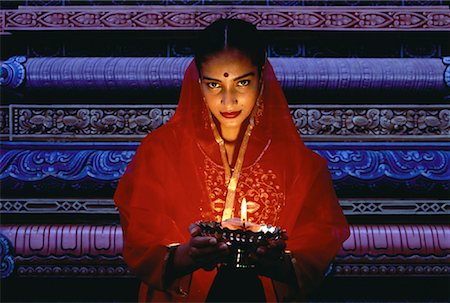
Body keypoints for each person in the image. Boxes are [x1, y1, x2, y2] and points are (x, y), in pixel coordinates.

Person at [114, 19, 349, 302]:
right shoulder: (160, 151)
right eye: (214, 84)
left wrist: (278, 263)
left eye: (243, 82)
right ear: (197, 82)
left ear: (262, 77)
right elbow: (140, 241)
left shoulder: (299, 164)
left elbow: (318, 245)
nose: (228, 101)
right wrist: (187, 255)